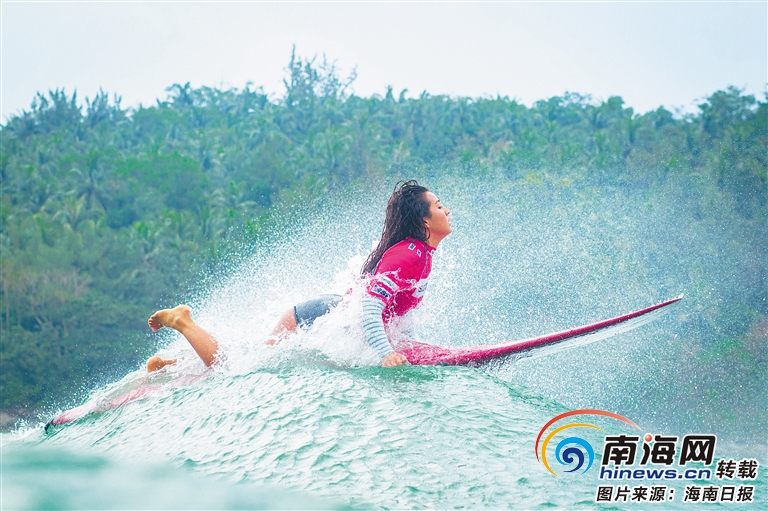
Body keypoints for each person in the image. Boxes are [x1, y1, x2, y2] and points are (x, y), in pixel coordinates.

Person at [146, 180, 451, 372]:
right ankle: (183, 321)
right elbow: (371, 307)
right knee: (233, 366)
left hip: (329, 309)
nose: (446, 211)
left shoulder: (422, 254)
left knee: (252, 355)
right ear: (424, 221)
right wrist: (386, 354)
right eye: (439, 206)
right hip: (316, 315)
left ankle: (170, 366)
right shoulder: (409, 254)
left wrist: (407, 344)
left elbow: (397, 312)